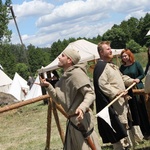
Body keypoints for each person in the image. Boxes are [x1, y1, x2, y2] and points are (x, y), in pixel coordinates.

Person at [38, 48, 101, 150]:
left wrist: (82, 108)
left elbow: (90, 93)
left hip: (81, 119)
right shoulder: (65, 77)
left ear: (69, 60)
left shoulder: (77, 73)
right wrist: (48, 86)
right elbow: (58, 99)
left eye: (62, 55)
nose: (59, 57)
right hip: (73, 121)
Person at [93, 41, 139, 150]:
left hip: (123, 103)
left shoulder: (111, 65)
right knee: (119, 130)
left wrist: (132, 80)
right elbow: (102, 84)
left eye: (110, 48)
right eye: (108, 49)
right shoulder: (100, 67)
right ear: (101, 52)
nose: (111, 50)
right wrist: (117, 92)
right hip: (114, 105)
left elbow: (122, 78)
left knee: (126, 127)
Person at [120, 49, 150, 140]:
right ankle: (141, 131)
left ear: (129, 56)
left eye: (125, 56)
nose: (124, 58)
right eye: (122, 56)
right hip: (129, 91)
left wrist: (138, 79)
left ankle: (148, 130)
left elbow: (143, 74)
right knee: (135, 111)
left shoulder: (136, 64)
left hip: (139, 88)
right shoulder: (122, 68)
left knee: (143, 109)